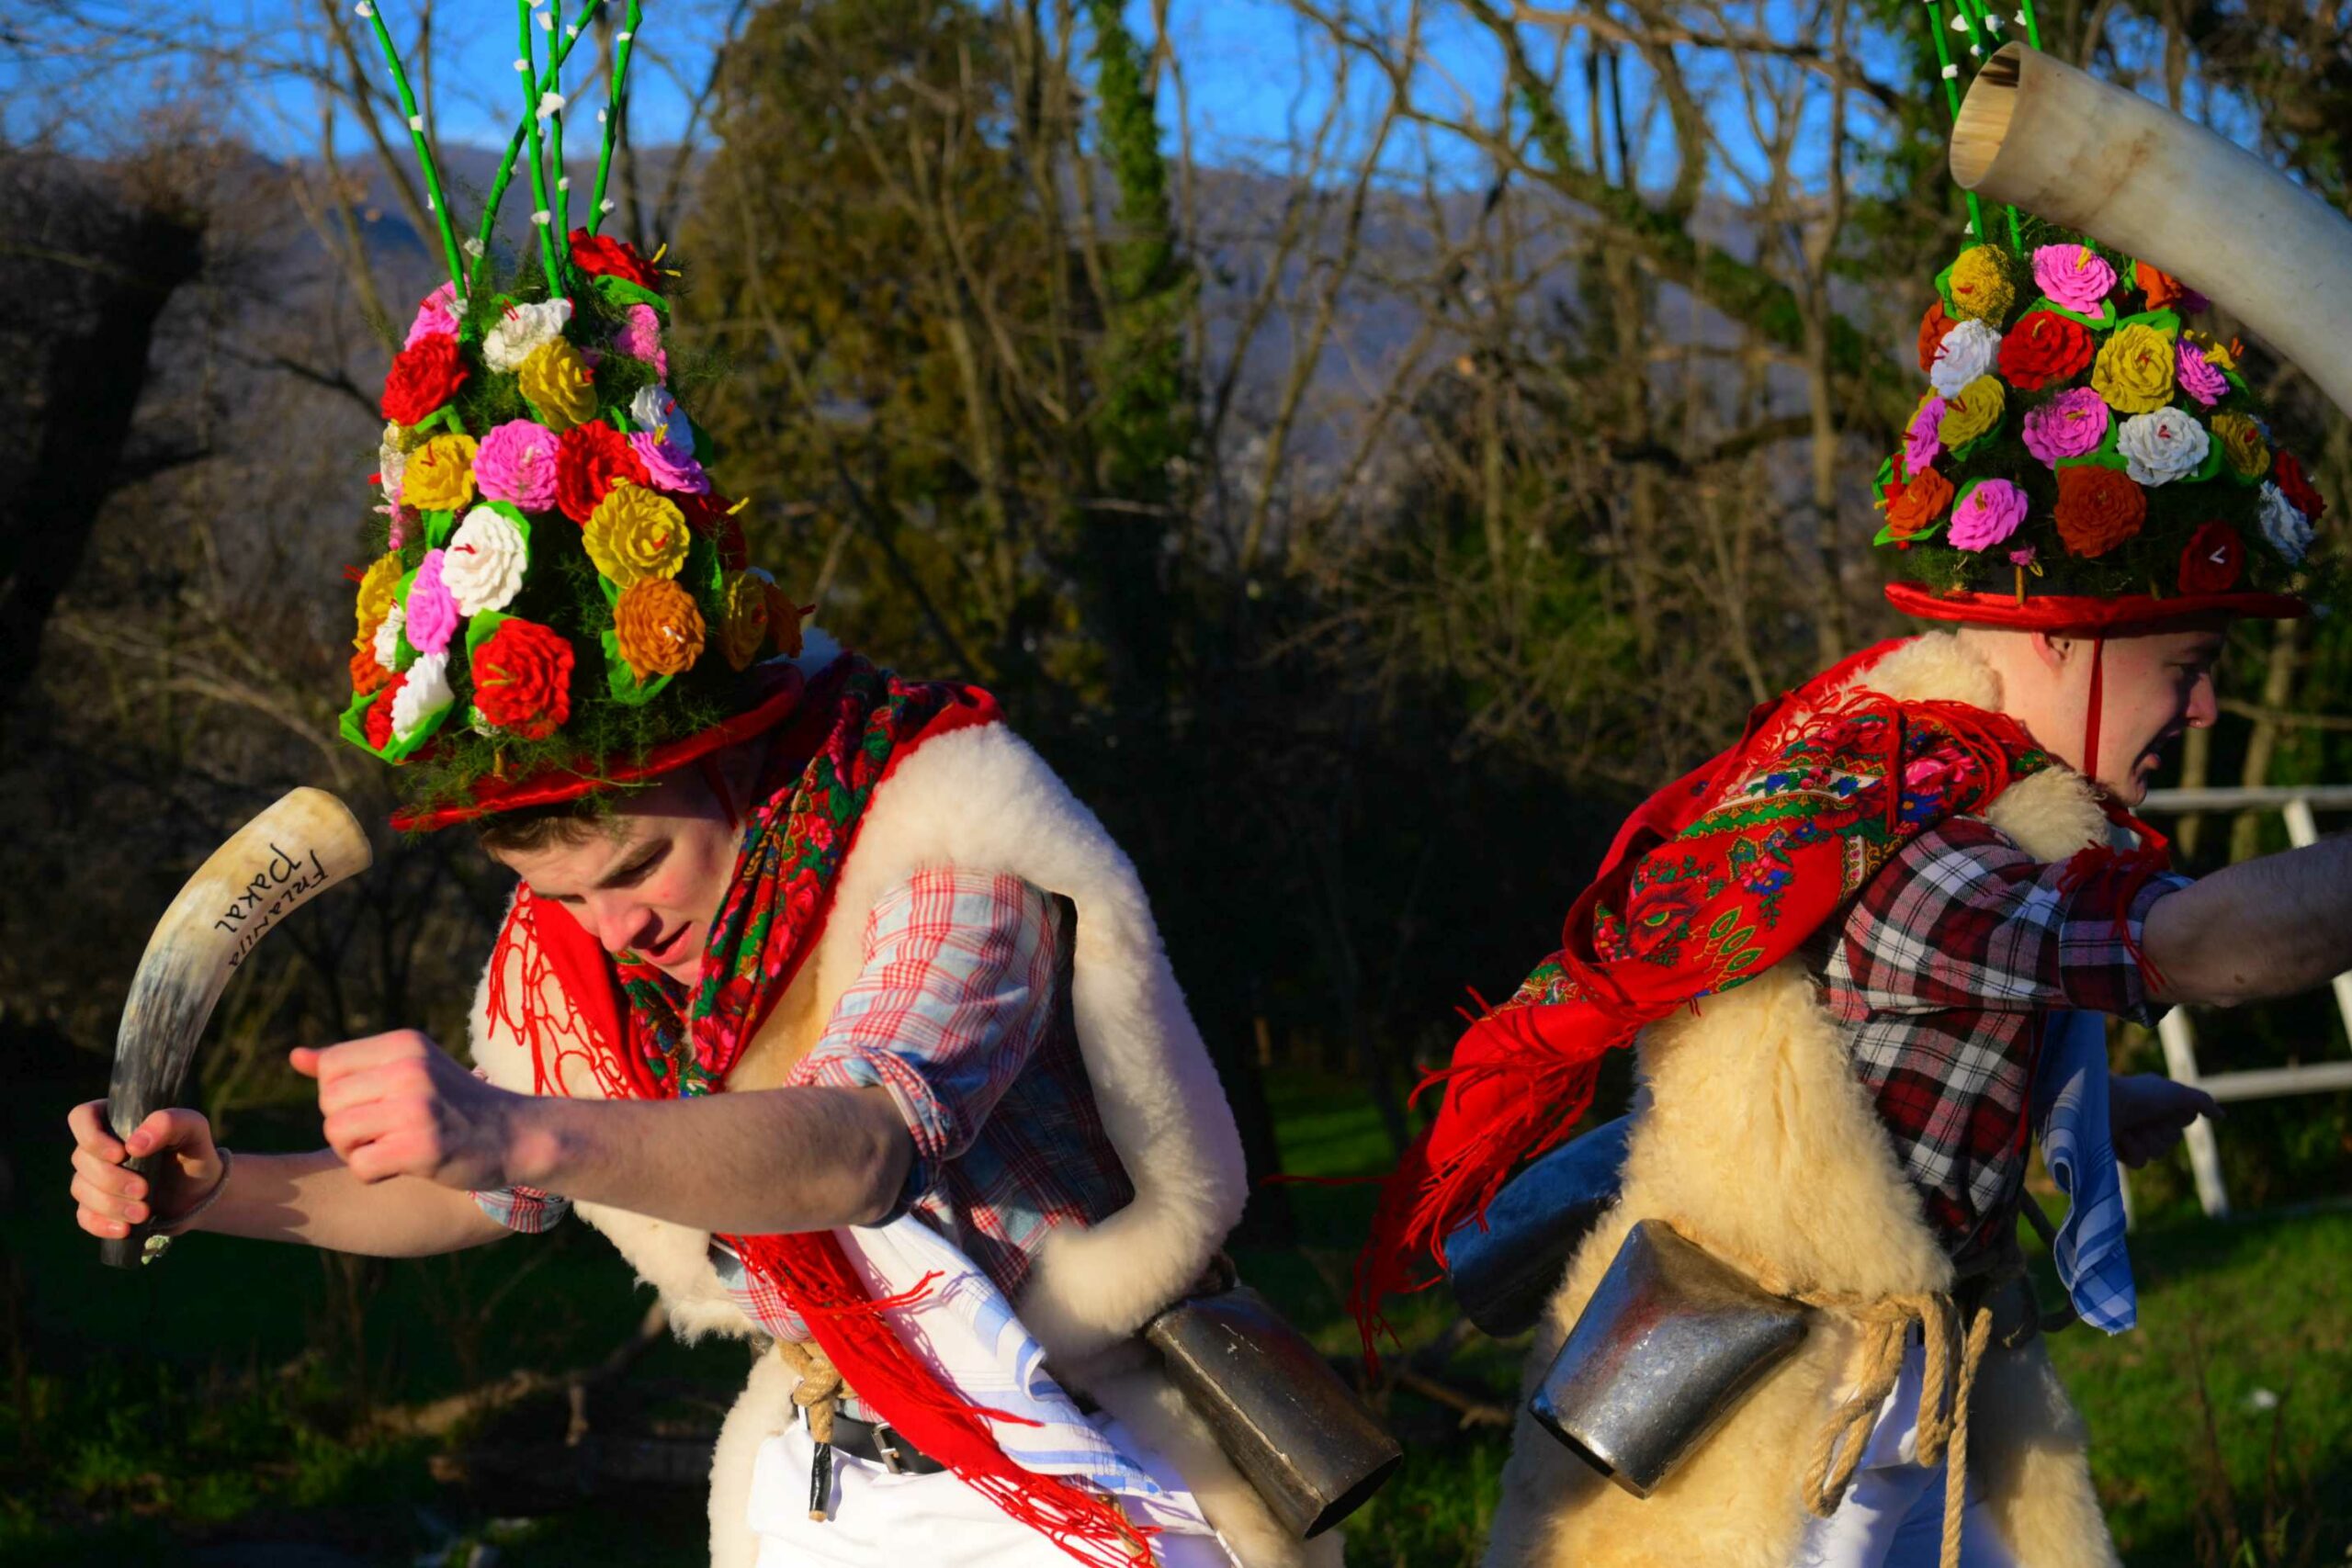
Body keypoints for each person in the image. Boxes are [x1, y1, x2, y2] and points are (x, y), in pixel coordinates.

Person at [64, 30, 1336, 1564]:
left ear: (727, 765)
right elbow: (480, 1192)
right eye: (559, 893)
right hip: (822, 1480)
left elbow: (861, 1149)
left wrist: (521, 1130)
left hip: (1080, 1458)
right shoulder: (571, 941)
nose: (609, 926)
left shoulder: (939, 839)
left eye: (636, 868)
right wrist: (216, 1192)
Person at [1355, 228, 2346, 1568]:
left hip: (1891, 1391)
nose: (2208, 707)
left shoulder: (1895, 777)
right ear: (2069, 640)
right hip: (1797, 1426)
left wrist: (2080, 1112)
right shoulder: (1932, 848)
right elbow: (2197, 949)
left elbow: (1886, 1050)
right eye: (2186, 666)